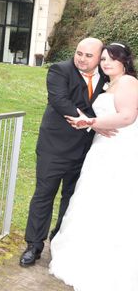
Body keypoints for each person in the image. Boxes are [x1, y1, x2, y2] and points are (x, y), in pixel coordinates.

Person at [49, 43, 138, 290]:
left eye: (112, 60)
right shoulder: (109, 84)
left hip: (119, 149)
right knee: (93, 198)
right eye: (104, 60)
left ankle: (111, 263)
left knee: (113, 201)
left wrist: (90, 121)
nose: (106, 64)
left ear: (124, 62)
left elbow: (128, 117)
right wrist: (93, 123)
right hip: (100, 148)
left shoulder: (129, 83)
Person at [19, 37, 106, 267]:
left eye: (89, 55)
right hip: (54, 148)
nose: (82, 59)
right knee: (44, 195)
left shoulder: (107, 77)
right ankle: (34, 246)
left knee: (72, 198)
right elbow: (60, 100)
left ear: (100, 57)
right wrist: (92, 120)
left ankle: (59, 242)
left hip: (87, 151)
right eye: (79, 53)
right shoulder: (60, 70)